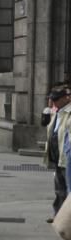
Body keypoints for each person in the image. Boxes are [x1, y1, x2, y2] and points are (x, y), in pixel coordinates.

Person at [44, 88, 71, 223]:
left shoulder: (69, 112)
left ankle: (66, 218)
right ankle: (58, 215)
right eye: (52, 99)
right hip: (56, 154)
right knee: (59, 189)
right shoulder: (57, 112)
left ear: (65, 98)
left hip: (66, 155)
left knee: (68, 188)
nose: (53, 102)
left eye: (55, 100)